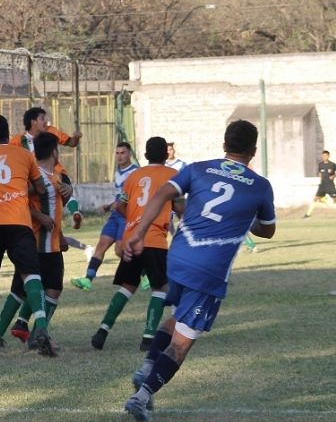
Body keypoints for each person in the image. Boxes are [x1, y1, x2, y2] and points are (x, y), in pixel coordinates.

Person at [124, 120, 276, 420]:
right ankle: (141, 398)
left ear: (224, 145)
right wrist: (246, 218)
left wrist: (138, 234)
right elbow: (268, 230)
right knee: (182, 344)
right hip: (210, 270)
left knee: (176, 316)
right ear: (253, 150)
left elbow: (160, 196)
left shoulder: (198, 168)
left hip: (178, 258)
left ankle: (145, 368)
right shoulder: (260, 186)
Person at [0, 115, 55, 356]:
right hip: (19, 221)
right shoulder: (25, 155)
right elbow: (39, 187)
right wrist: (19, 190)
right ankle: (40, 327)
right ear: (9, 134)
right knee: (31, 273)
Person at [89, 137, 179, 352]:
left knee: (127, 286)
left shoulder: (134, 176)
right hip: (154, 240)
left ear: (145, 156)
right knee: (160, 288)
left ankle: (102, 331)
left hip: (132, 238)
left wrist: (134, 221)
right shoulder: (173, 176)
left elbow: (119, 206)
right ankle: (148, 338)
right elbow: (180, 206)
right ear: (166, 155)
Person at [0, 132, 68, 351]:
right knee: (27, 290)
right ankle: (2, 334)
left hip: (51, 245)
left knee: (47, 289)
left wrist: (59, 235)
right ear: (54, 150)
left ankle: (32, 335)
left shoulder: (53, 176)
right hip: (36, 243)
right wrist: (39, 217)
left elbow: (55, 209)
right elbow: (18, 201)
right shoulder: (38, 177)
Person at [70, 142, 139, 291]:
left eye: (123, 153)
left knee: (120, 250)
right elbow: (119, 195)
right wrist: (109, 206)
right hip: (116, 215)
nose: (119, 156)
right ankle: (88, 280)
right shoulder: (117, 172)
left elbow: (134, 196)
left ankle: (145, 274)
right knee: (101, 246)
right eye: (117, 153)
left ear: (130, 155)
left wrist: (120, 203)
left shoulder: (136, 172)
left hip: (127, 215)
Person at [11, 107, 84, 229]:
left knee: (66, 190)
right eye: (42, 119)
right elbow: (7, 154)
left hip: (55, 172)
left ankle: (74, 213)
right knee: (31, 199)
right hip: (33, 176)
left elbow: (71, 143)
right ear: (32, 121)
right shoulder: (18, 140)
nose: (46, 122)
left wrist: (76, 137)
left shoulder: (52, 131)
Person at [304, 150, 336, 218]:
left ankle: (324, 199)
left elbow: (335, 173)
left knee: (335, 199)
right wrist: (320, 182)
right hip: (322, 185)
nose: (324, 157)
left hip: (330, 185)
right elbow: (320, 173)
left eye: (326, 156)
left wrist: (333, 176)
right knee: (315, 199)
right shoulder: (320, 164)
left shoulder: (332, 164)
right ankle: (308, 214)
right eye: (323, 156)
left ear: (328, 156)